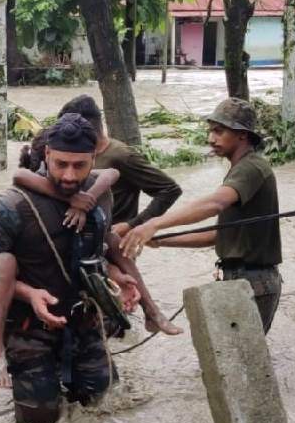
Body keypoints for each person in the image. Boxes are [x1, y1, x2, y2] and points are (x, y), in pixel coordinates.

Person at [0, 114, 140, 423]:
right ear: (46, 155)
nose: (69, 175)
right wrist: (29, 293)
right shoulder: (13, 205)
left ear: (94, 158)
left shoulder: (99, 195)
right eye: (61, 164)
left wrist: (117, 275)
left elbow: (97, 250)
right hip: (30, 330)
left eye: (80, 165)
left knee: (107, 408)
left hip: (85, 324)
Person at [121, 98, 283, 333]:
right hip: (240, 278)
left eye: (219, 131)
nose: (211, 139)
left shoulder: (252, 168)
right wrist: (161, 240)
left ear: (242, 135)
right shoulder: (240, 170)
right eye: (210, 131)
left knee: (240, 361)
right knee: (232, 360)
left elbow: (215, 203)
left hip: (253, 281)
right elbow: (216, 237)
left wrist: (155, 223)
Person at [56, 95, 184, 335]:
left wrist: (133, 225)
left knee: (111, 320)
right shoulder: (72, 158)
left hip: (113, 247)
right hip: (85, 247)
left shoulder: (121, 156)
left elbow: (169, 189)